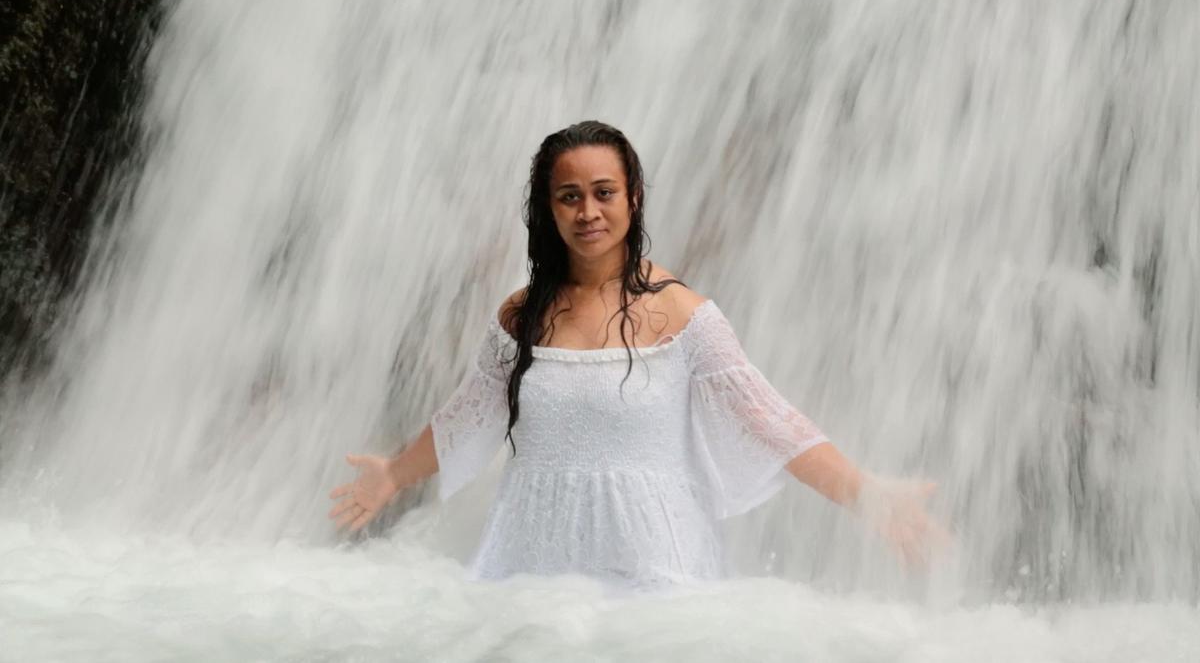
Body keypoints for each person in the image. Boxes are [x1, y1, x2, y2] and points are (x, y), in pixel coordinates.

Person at [328, 120, 946, 589]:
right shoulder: (521, 314)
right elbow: (468, 416)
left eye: (603, 192)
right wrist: (393, 474)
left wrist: (865, 493)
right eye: (569, 196)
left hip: (653, 561)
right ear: (548, 207)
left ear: (633, 197)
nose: (588, 211)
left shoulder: (683, 313)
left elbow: (769, 420)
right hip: (534, 558)